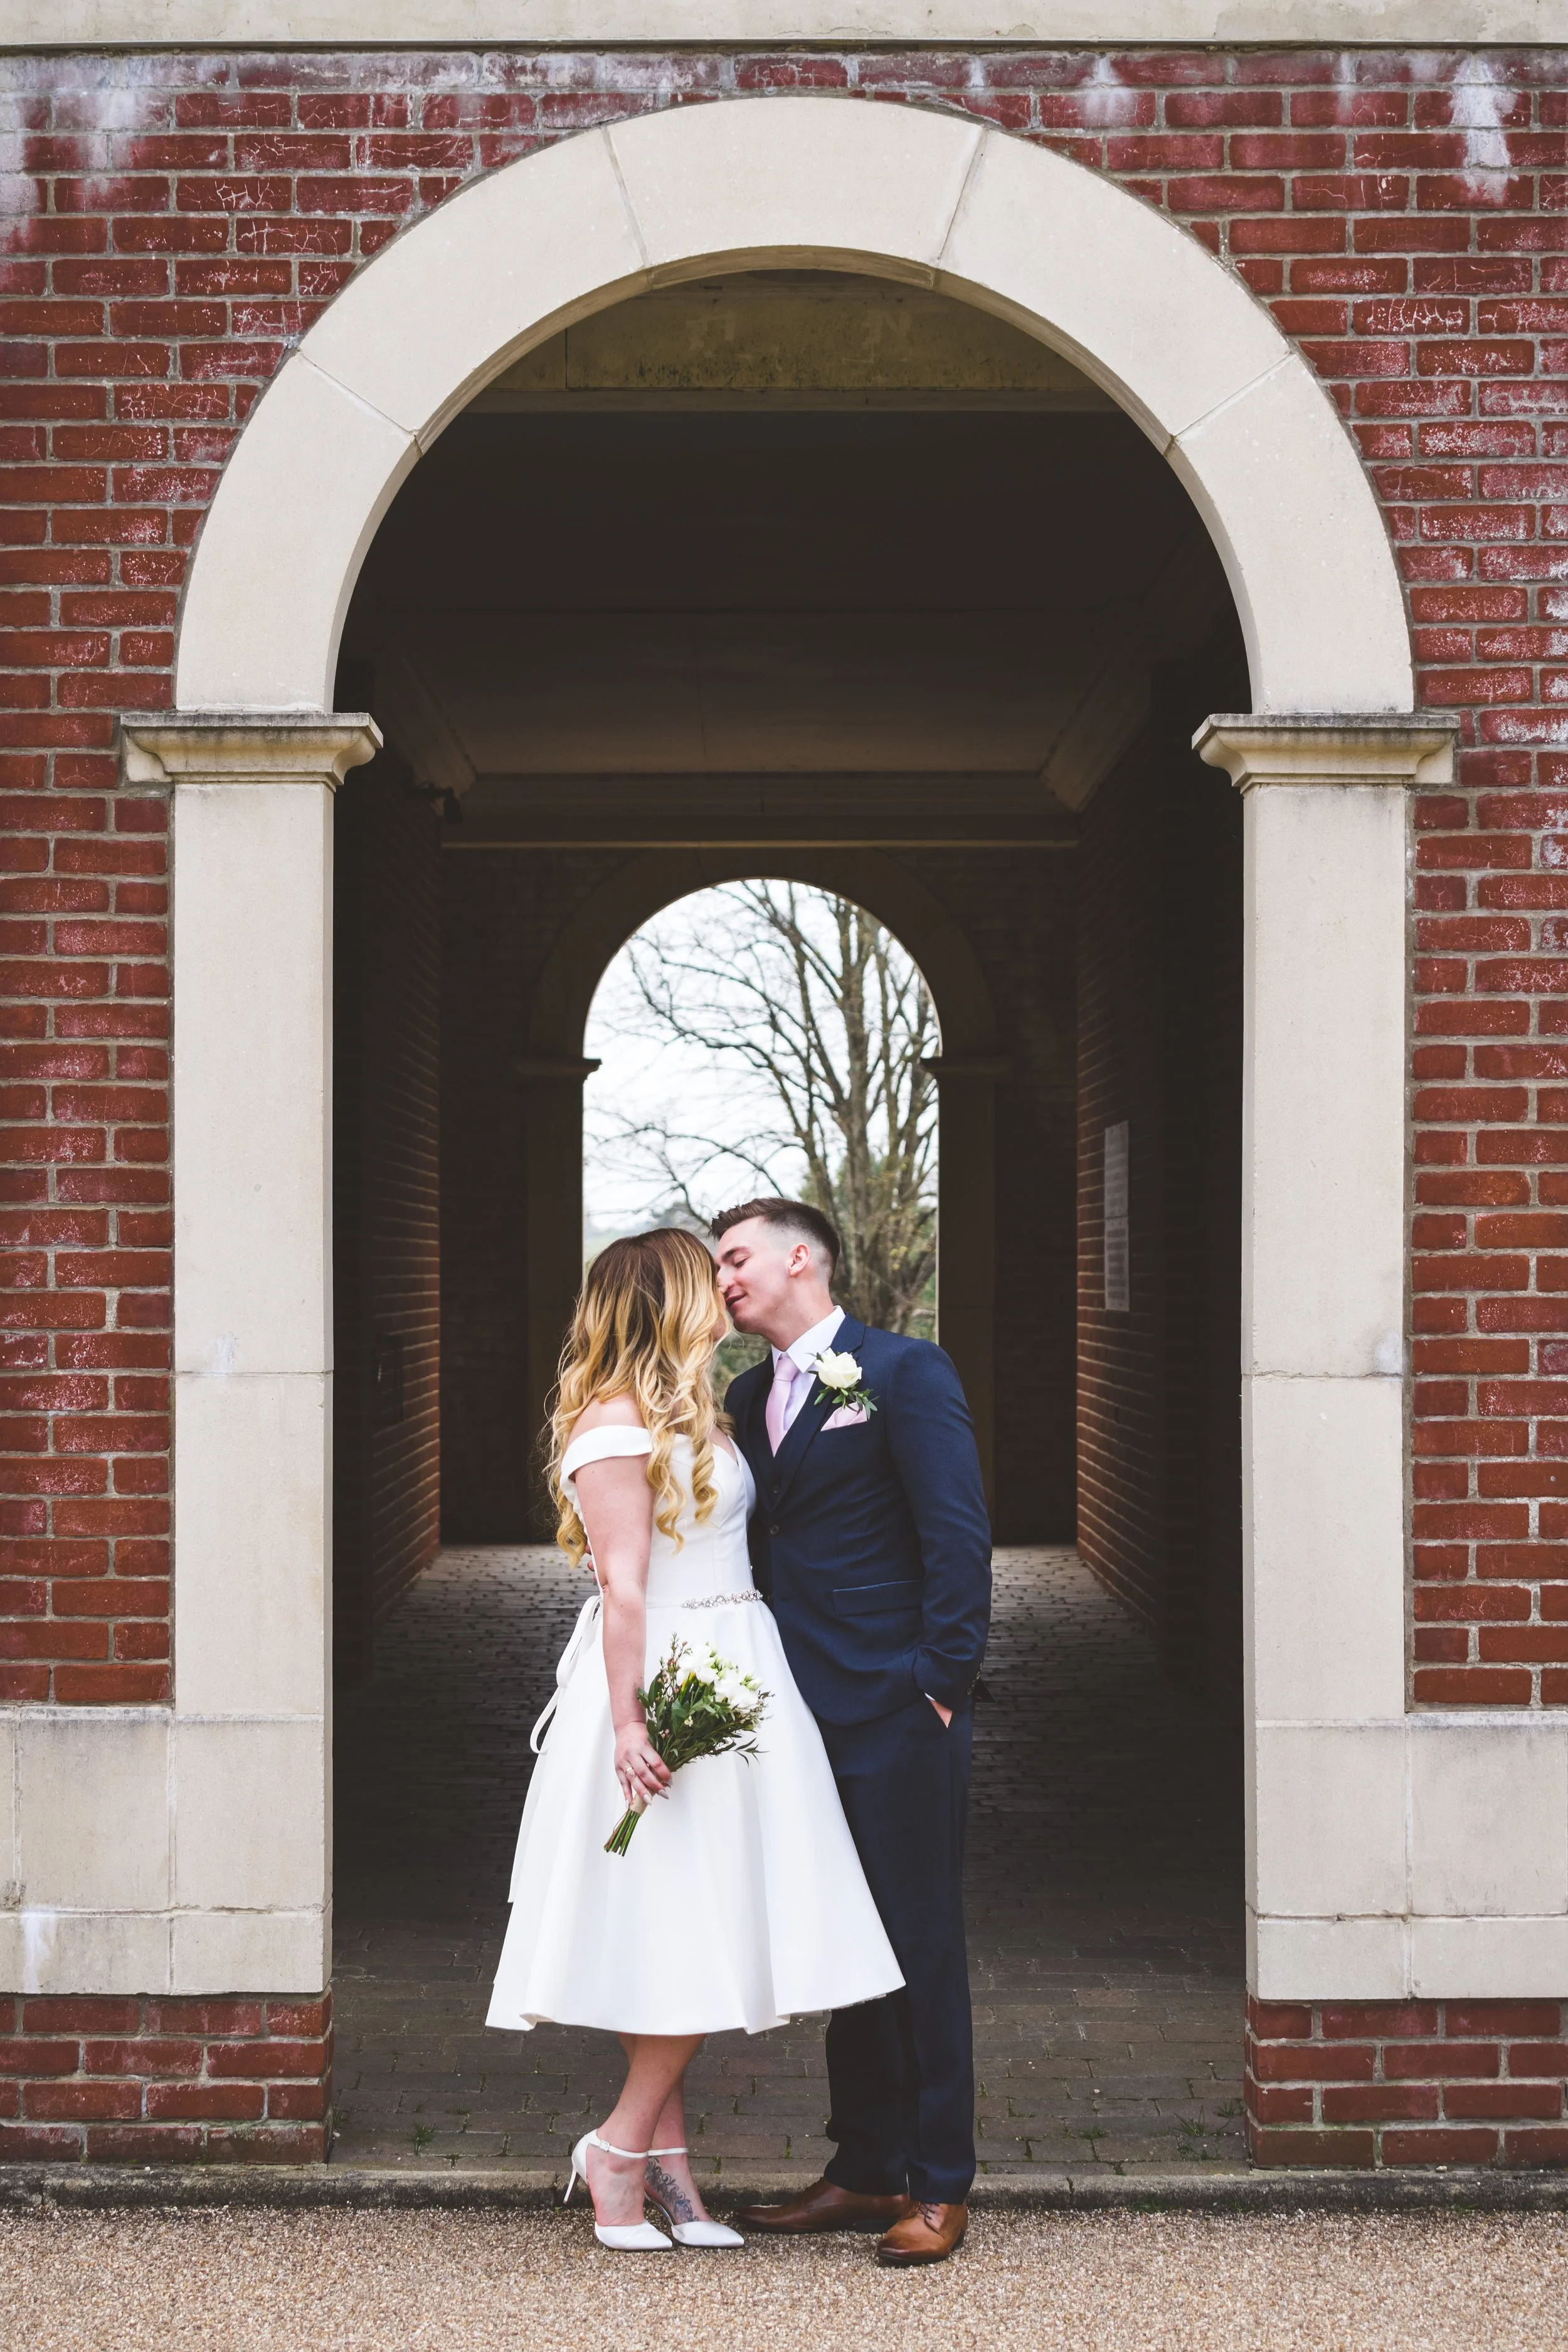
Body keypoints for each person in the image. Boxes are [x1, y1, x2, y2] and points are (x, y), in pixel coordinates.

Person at [486, 1226, 903, 2253]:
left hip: (739, 1663)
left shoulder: (699, 1408)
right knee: (690, 1918)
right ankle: (619, 2149)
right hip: (668, 1679)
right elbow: (623, 1584)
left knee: (693, 1915)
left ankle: (670, 2172)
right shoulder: (614, 1422)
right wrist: (631, 1721)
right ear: (667, 1297)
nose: (723, 1285)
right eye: (703, 1274)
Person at [716, 1199, 992, 2268]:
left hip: (896, 1707)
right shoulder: (746, 1395)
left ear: (801, 1259)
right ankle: (862, 2163)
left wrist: (940, 1680)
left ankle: (941, 2180)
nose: (725, 1277)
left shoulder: (906, 1373)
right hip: (792, 1712)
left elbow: (958, 1533)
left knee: (918, 1942)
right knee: (842, 1939)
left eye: (736, 1257)